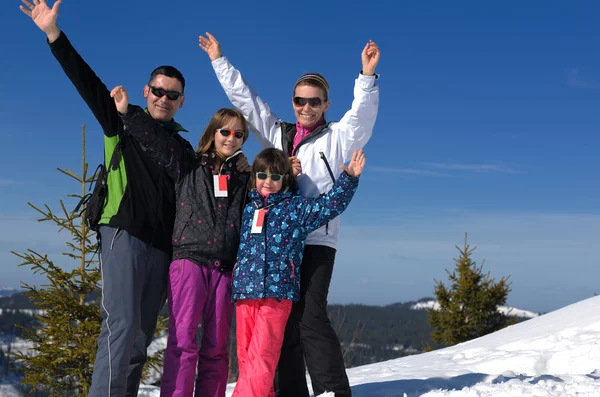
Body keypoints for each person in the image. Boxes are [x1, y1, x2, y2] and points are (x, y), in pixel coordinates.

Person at [20, 1, 193, 396]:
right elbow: (86, 82)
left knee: (140, 337)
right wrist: (53, 35)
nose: (164, 98)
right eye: (158, 91)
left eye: (173, 94)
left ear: (182, 100)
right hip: (123, 235)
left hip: (162, 248)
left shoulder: (182, 150)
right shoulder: (122, 119)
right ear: (147, 91)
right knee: (120, 328)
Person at [199, 32, 380, 397]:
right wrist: (219, 60)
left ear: (326, 104)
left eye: (314, 101)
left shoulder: (337, 136)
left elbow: (361, 118)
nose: (306, 107)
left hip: (316, 237)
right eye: (300, 100)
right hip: (280, 246)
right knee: (285, 326)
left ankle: (332, 390)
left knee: (311, 318)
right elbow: (247, 103)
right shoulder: (280, 134)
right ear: (293, 102)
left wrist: (366, 78)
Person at [111, 86, 251, 397]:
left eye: (238, 135)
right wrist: (128, 112)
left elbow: (273, 184)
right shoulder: (188, 163)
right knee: (183, 343)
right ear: (213, 133)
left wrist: (287, 171)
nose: (231, 138)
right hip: (189, 261)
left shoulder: (245, 178)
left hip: (225, 269)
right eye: (225, 132)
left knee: (216, 348)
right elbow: (155, 141)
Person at [232, 148, 365, 397]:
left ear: (284, 179)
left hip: (277, 294)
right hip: (245, 292)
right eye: (262, 175)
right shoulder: (246, 206)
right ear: (253, 177)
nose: (268, 182)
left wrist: (349, 179)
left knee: (263, 356)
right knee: (246, 355)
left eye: (275, 177)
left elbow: (329, 206)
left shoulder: (295, 209)